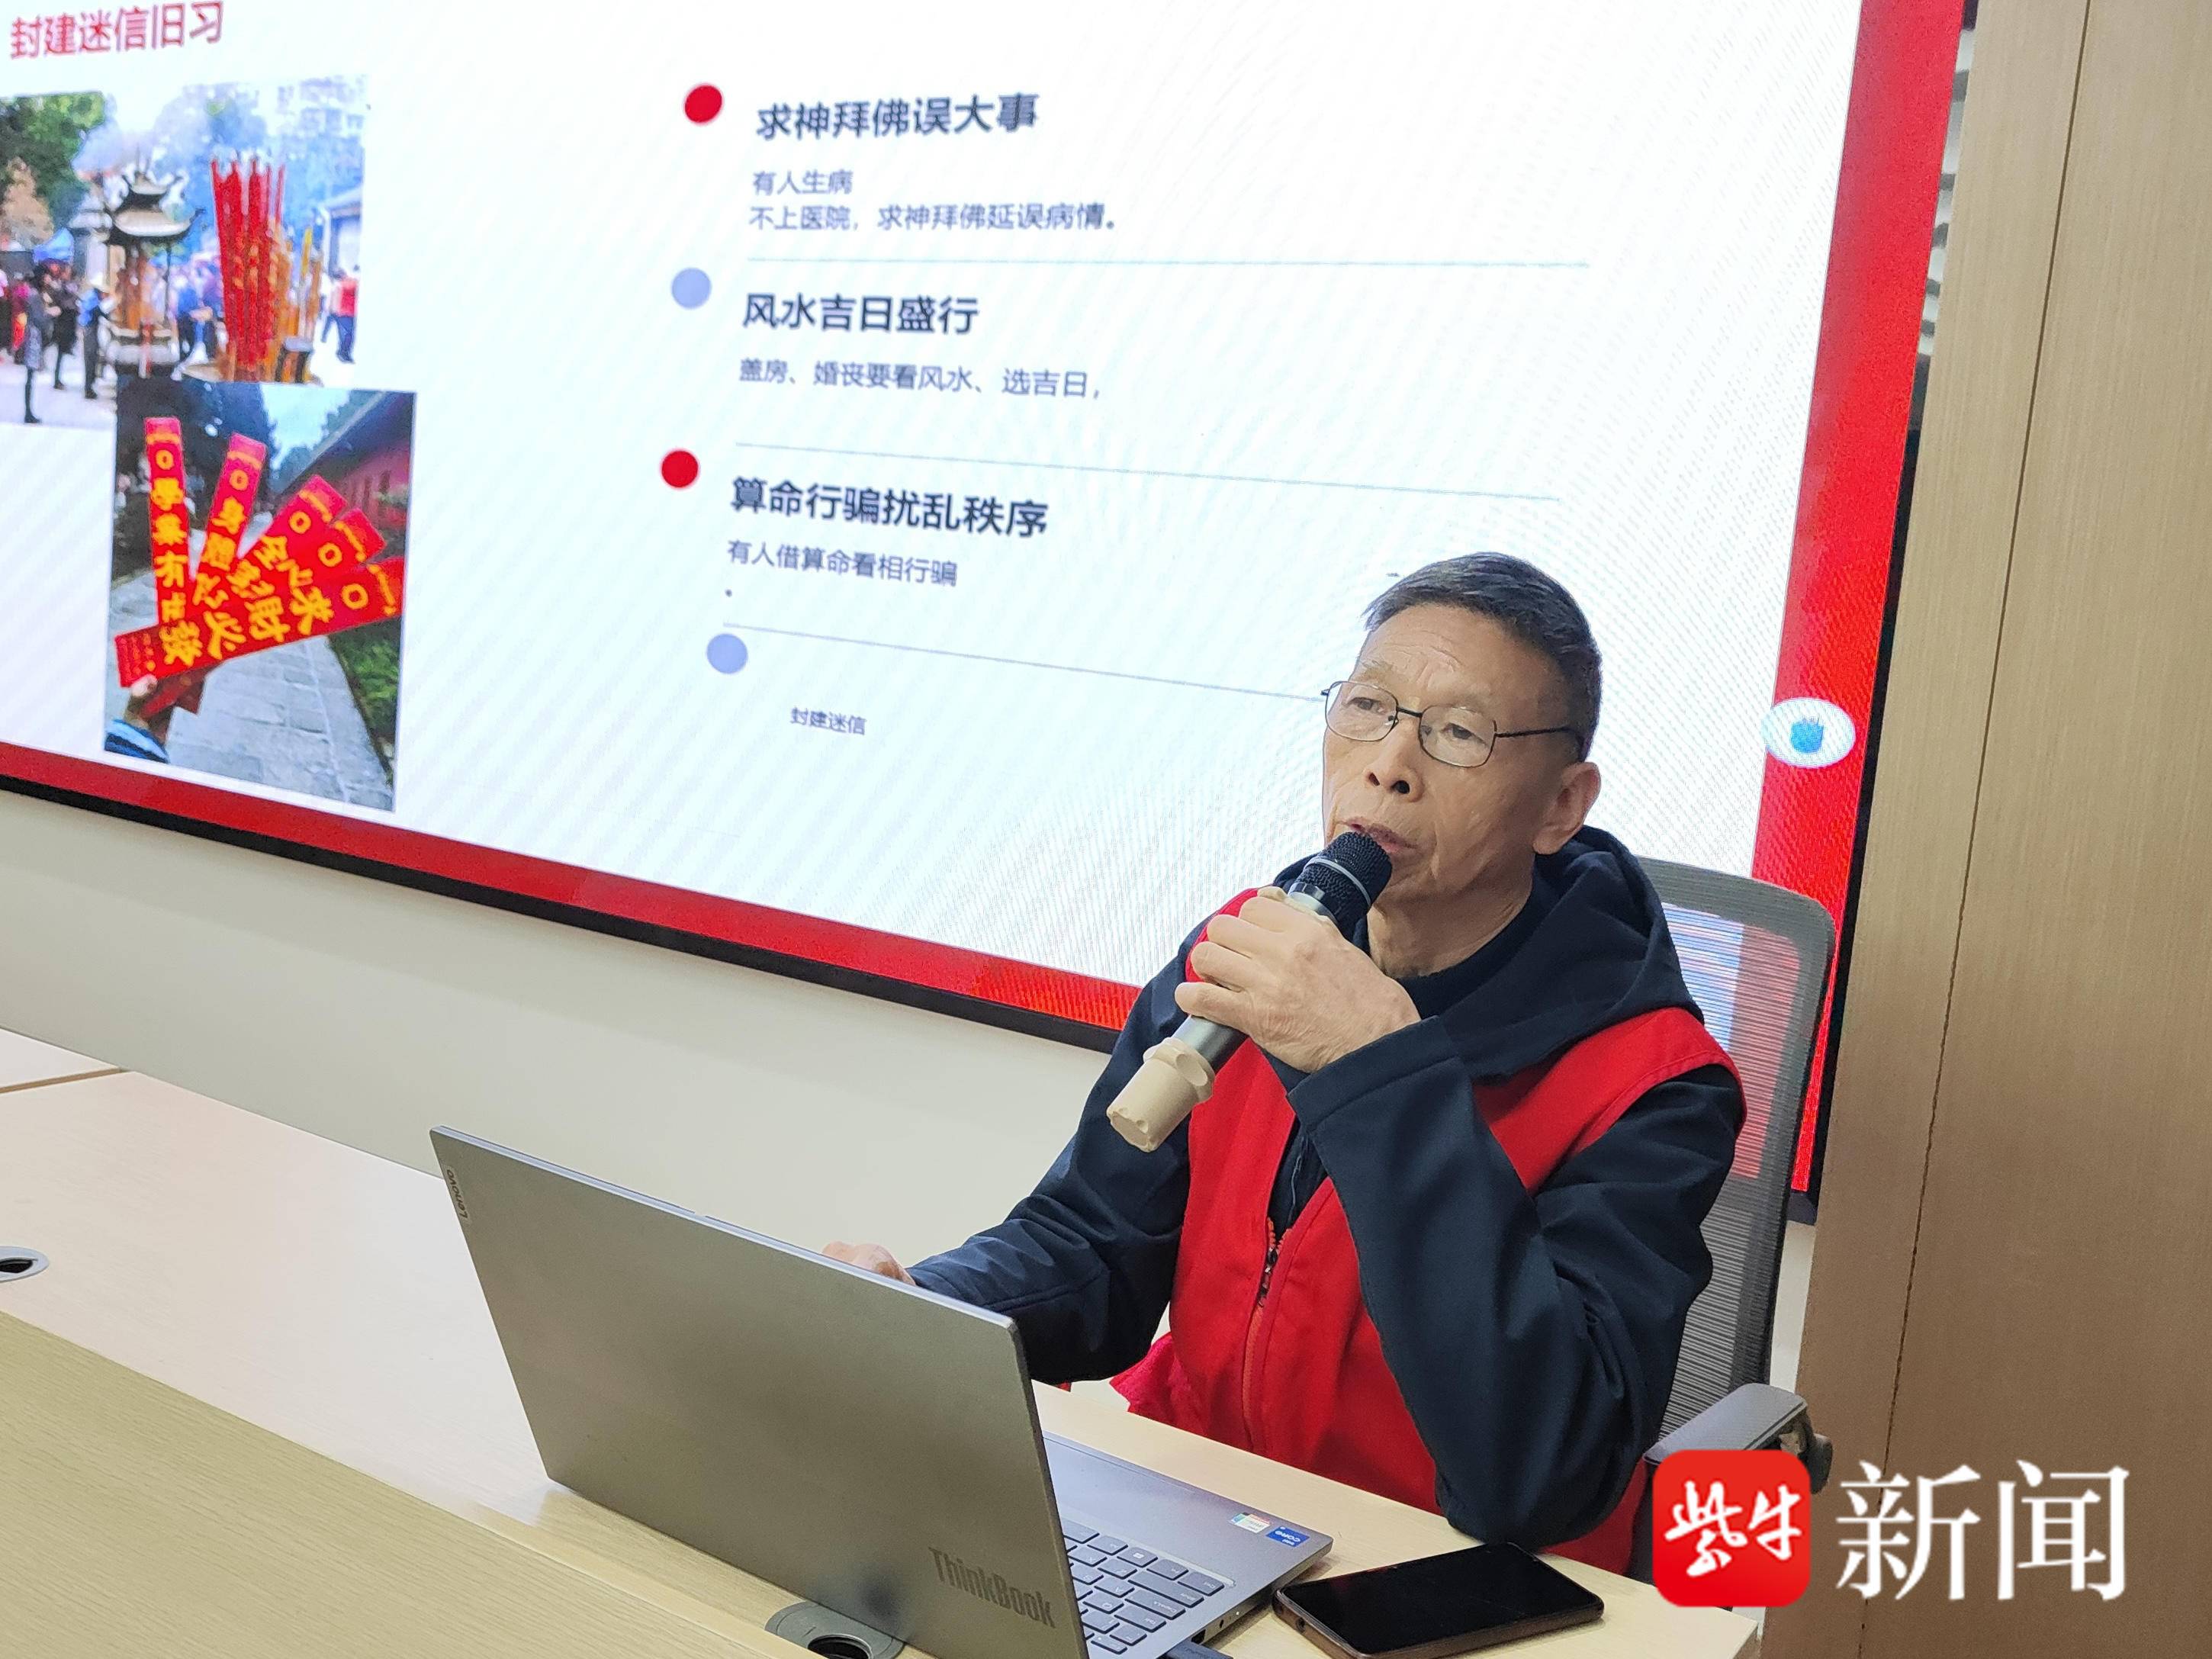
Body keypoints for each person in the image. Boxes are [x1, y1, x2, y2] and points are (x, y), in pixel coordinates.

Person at [824, 554, 1745, 1573]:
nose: (1389, 763)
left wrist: (1378, 1067)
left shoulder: (1653, 1083)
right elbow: (1094, 1247)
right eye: (1368, 707)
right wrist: (926, 1305)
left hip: (1435, 1578)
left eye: (1458, 732)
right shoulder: (1250, 949)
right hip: (1199, 1506)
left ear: (1561, 804)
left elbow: (1536, 1470)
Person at [13, 268, 47, 423]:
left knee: (30, 376)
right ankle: (28, 412)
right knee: (30, 375)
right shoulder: (35, 295)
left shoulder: (33, 294)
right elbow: (40, 319)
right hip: (33, 337)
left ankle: (28, 411)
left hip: (31, 335)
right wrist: (50, 313)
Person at [48, 268, 79, 391]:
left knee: (61, 354)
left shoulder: (71, 287)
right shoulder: (60, 289)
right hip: (62, 326)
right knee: (60, 354)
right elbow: (64, 304)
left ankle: (57, 379)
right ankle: (56, 380)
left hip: (67, 325)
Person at [79, 280, 107, 399]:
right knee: (90, 360)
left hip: (89, 330)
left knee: (91, 360)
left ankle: (89, 387)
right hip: (89, 330)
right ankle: (88, 389)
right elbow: (98, 312)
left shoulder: (91, 296)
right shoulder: (93, 298)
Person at [331, 266, 358, 362]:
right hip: (347, 312)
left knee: (344, 334)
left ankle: (342, 352)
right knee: (349, 334)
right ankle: (344, 353)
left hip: (342, 312)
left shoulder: (339, 285)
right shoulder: (345, 283)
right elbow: (352, 285)